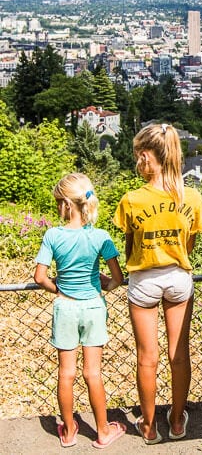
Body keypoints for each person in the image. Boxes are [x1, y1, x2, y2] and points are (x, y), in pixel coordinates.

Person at [113, 123, 202, 445]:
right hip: (179, 277)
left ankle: (149, 426)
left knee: (146, 357)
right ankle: (178, 420)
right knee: (179, 354)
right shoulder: (192, 197)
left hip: (143, 279)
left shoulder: (132, 199)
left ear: (144, 156)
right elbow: (190, 243)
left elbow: (129, 243)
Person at [33, 172, 127, 449]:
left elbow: (40, 277)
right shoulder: (101, 237)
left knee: (66, 373)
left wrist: (58, 289)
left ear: (65, 204)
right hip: (93, 307)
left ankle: (70, 430)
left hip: (66, 307)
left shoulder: (53, 235)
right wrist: (106, 285)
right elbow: (117, 278)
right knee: (93, 373)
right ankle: (102, 431)